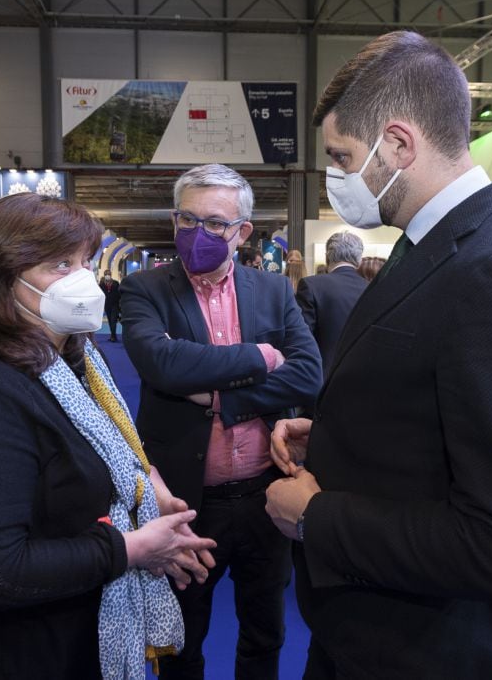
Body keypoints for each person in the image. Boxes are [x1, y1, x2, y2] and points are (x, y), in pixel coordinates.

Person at [263, 31, 492, 679]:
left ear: (399, 143)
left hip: (425, 649)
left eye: (342, 157)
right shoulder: (435, 245)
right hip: (370, 638)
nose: (337, 177)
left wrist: (319, 517)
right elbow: (441, 409)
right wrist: (344, 436)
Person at [0, 192, 216, 679]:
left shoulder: (75, 363)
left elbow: (88, 459)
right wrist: (131, 548)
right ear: (0, 279)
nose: (83, 281)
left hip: (73, 628)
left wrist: (143, 488)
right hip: (8, 652)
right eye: (58, 265)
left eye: (85, 262)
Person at [120, 164, 322, 680]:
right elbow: (162, 364)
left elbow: (307, 374)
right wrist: (259, 355)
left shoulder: (274, 291)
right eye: (187, 219)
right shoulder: (145, 289)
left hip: (265, 496)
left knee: (265, 635)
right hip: (186, 502)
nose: (198, 233)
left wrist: (220, 400)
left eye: (214, 223)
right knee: (182, 641)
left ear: (242, 232)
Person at [295, 231, 368, 374]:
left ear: (327, 257)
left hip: (321, 376)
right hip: (361, 375)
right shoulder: (371, 288)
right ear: (359, 260)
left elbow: (302, 336)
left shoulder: (311, 285)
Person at [99, 269, 122, 342]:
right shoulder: (102, 284)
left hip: (115, 305)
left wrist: (120, 305)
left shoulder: (116, 283)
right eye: (106, 274)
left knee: (113, 321)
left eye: (108, 274)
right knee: (109, 321)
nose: (107, 276)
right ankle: (113, 335)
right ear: (104, 275)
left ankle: (113, 336)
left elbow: (119, 294)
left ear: (110, 275)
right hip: (107, 305)